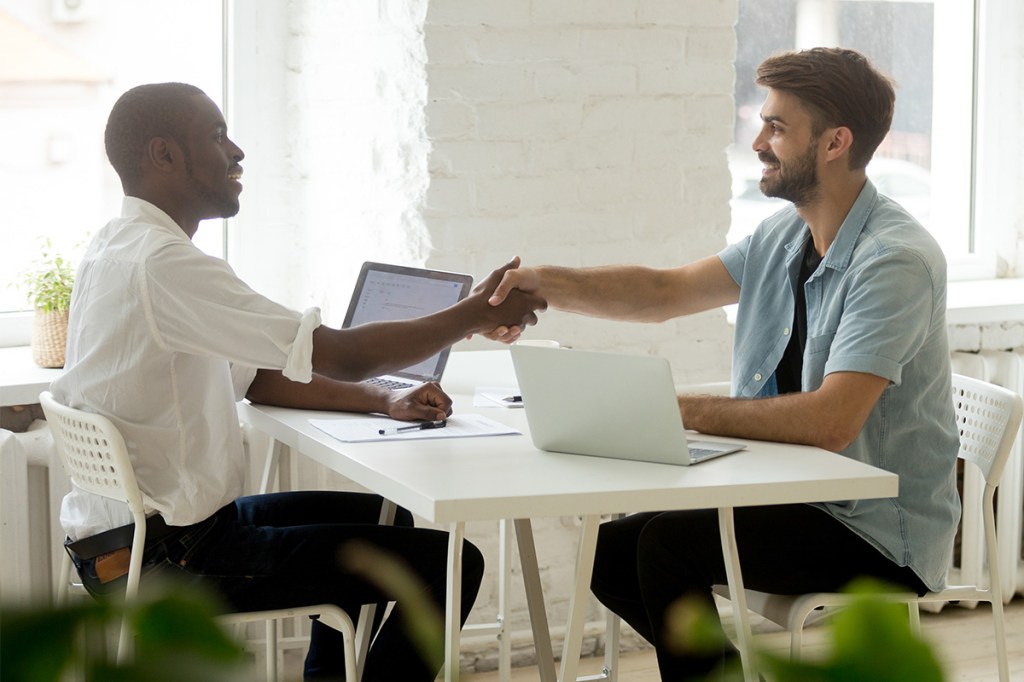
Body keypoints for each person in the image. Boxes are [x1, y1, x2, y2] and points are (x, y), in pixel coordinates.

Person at [486, 48, 959, 679]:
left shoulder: (893, 261)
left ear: (835, 143)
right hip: (796, 492)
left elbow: (831, 423)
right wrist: (544, 284)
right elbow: (664, 292)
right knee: (613, 549)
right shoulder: (785, 235)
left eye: (777, 127)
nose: (758, 141)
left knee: (664, 548)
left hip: (875, 528)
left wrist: (674, 411)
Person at [51, 82, 545, 681]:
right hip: (171, 557)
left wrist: (385, 398)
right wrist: (474, 312)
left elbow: (260, 377)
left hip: (126, 543)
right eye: (215, 136)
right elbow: (339, 353)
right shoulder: (164, 264)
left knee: (387, 518)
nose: (236, 153)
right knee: (450, 565)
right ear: (164, 155)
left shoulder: (115, 248)